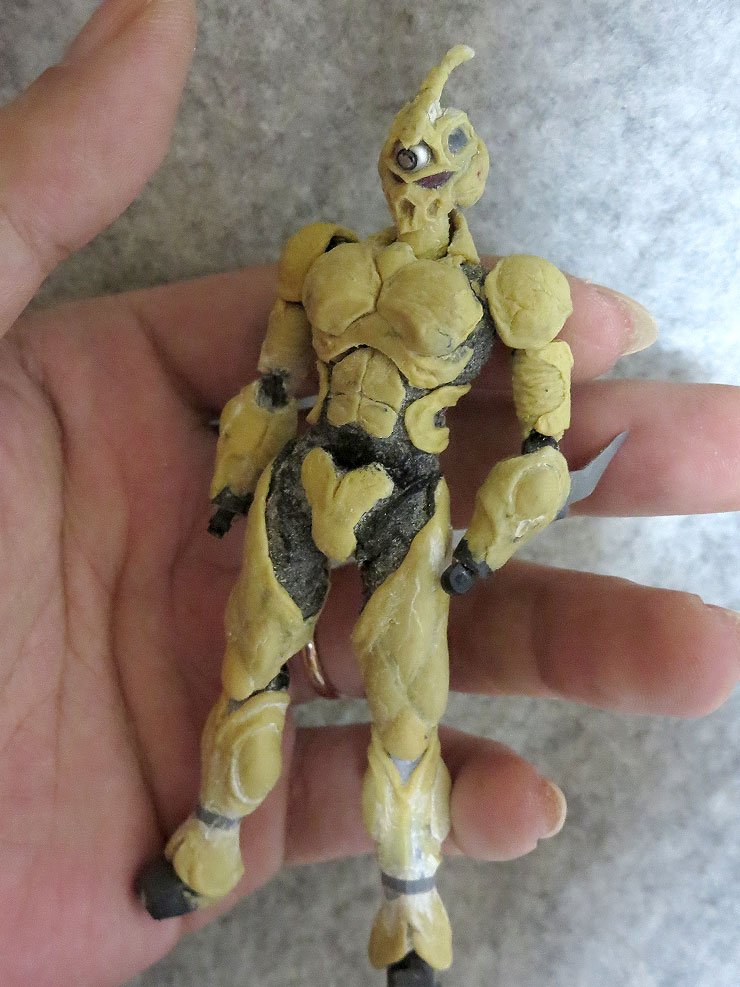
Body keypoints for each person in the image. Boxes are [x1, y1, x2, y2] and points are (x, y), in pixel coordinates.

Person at [0, 2, 736, 985]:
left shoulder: (511, 290)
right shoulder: (323, 257)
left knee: (405, 707)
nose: (415, 161)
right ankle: (208, 836)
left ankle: (412, 904)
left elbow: (542, 440)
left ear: (471, 170)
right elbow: (273, 383)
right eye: (405, 147)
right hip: (304, 472)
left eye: (441, 148)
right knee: (250, 665)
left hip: (408, 492)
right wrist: (230, 481)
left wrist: (487, 543)